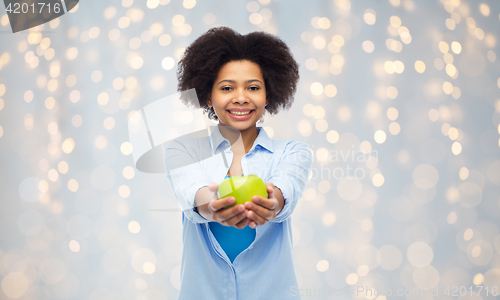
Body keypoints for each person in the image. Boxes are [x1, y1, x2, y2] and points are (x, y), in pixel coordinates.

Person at [164, 26, 313, 300]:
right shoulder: (182, 150)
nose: (241, 97)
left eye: (253, 87)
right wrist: (214, 209)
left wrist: (272, 203)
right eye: (227, 87)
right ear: (208, 95)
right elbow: (193, 194)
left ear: (268, 95)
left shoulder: (293, 152)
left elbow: (285, 188)